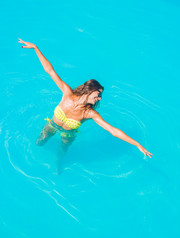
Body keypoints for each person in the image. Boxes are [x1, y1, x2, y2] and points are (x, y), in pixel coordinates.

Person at [18, 38, 153, 158]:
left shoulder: (89, 113)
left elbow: (112, 130)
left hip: (68, 135)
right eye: (98, 94)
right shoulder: (67, 94)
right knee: (38, 144)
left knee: (61, 152)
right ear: (89, 91)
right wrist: (36, 48)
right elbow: (50, 70)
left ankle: (58, 166)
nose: (99, 98)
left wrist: (137, 144)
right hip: (51, 125)